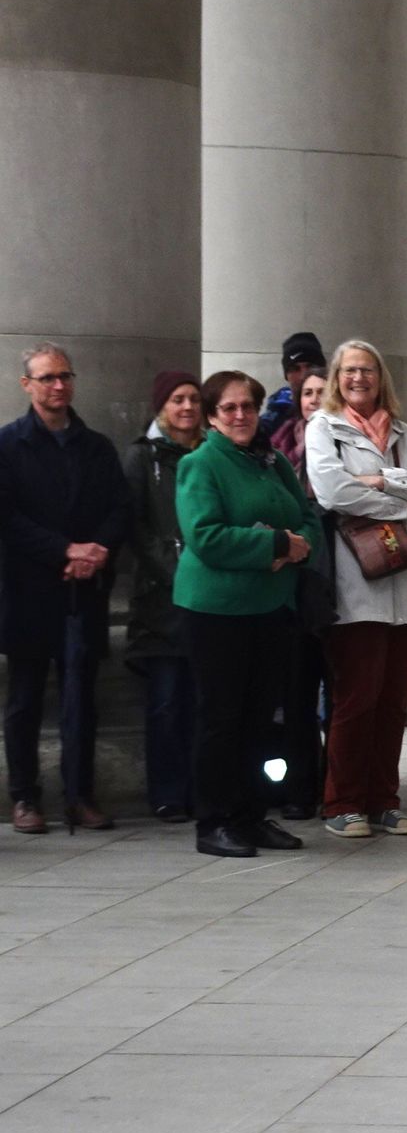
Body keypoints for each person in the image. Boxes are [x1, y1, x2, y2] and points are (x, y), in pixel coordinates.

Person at [174, 371, 321, 857]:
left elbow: (307, 519)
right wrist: (276, 544)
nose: (240, 416)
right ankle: (213, 821)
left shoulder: (272, 461)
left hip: (270, 607)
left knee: (260, 719)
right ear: (213, 417)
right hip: (217, 611)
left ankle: (252, 815)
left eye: (248, 407)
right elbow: (206, 536)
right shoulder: (201, 464)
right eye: (229, 408)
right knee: (222, 718)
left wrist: (296, 545)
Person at [305, 339, 407, 837]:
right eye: (349, 371)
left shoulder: (405, 433)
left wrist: (383, 481)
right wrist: (399, 504)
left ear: (379, 377)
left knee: (393, 701)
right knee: (356, 697)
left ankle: (384, 800)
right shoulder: (324, 428)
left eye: (367, 370)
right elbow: (331, 490)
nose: (358, 378)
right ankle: (342, 804)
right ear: (337, 378)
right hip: (357, 583)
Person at [0, 344, 129, 833]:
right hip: (31, 588)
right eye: (48, 378)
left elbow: (119, 507)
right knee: (25, 700)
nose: (59, 386)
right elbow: (8, 518)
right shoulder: (8, 445)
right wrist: (64, 550)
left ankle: (79, 795)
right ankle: (25, 798)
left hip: (84, 593)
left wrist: (97, 549)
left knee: (81, 698)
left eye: (65, 377)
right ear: (27, 384)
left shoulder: (95, 446)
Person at [123, 369, 204, 821]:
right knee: (167, 702)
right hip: (162, 604)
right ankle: (168, 792)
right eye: (178, 399)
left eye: (193, 398)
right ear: (162, 407)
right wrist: (176, 572)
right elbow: (136, 527)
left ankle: (199, 787)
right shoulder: (142, 458)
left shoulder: (212, 452)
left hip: (210, 600)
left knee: (203, 702)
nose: (187, 407)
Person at [270, 368, 328, 819]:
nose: (312, 399)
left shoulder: (342, 442)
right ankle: (299, 787)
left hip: (337, 582)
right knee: (297, 695)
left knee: (340, 695)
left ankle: (336, 782)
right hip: (294, 587)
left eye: (320, 393)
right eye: (306, 393)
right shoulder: (276, 450)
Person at [258, 331, 325, 441]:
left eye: (310, 366)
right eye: (295, 369)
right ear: (286, 375)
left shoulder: (345, 413)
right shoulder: (273, 420)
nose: (303, 375)